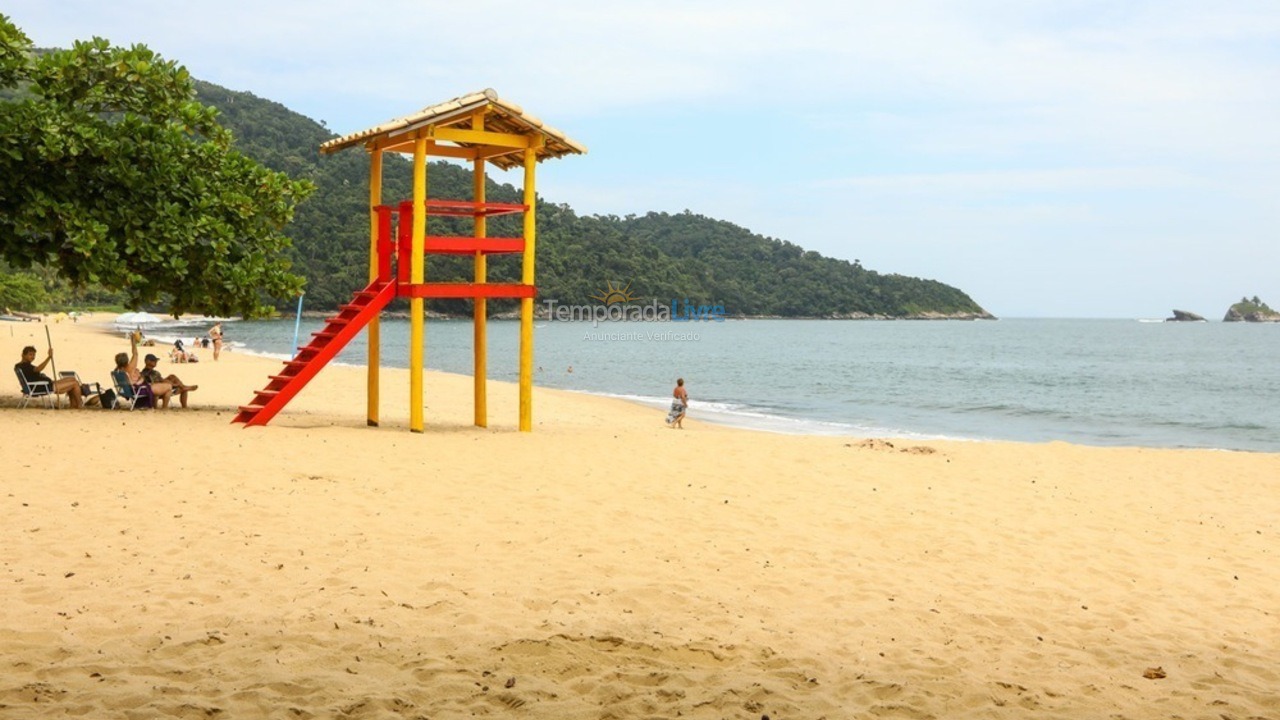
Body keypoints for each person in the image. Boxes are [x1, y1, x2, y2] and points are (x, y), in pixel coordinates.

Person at [115, 333, 198, 409]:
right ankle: (165, 409)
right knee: (169, 387)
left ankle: (182, 390)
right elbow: (135, 353)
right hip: (141, 389)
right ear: (126, 361)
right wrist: (133, 341)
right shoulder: (130, 368)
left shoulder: (119, 370)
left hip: (136, 389)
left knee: (171, 382)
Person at [15, 345, 83, 408]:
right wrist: (49, 357)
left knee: (72, 379)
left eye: (34, 355)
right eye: (30, 355)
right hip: (42, 387)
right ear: (23, 355)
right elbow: (38, 369)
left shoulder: (20, 365)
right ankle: (79, 404)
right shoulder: (25, 366)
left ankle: (73, 405)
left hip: (44, 384)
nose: (33, 357)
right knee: (75, 383)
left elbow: (33, 374)